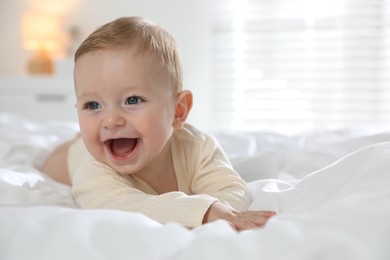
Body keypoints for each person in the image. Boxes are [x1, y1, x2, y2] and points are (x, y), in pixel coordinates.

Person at [41, 16, 275, 231]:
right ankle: (74, 140)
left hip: (107, 143)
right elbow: (114, 205)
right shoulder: (94, 167)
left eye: (132, 100)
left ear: (178, 110)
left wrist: (220, 211)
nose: (111, 120)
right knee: (54, 161)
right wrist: (203, 212)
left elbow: (231, 188)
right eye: (92, 105)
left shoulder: (198, 147)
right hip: (73, 156)